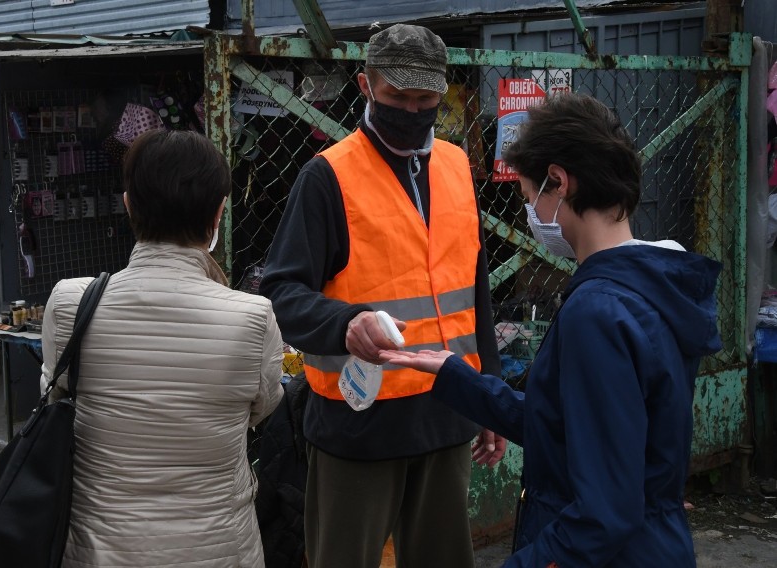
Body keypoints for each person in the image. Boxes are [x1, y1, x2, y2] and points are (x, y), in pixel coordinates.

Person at [381, 92, 723, 567]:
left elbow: (602, 514)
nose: (530, 214)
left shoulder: (597, 313)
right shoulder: (653, 284)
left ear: (558, 182)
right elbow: (575, 426)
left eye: (527, 197)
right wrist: (456, 376)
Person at [259, 23, 506, 568]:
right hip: (359, 425)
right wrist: (344, 323)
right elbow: (280, 291)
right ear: (366, 84)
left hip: (448, 413)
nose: (412, 111)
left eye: (426, 99)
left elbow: (474, 290)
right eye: (398, 96)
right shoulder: (327, 177)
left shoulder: (457, 166)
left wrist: (489, 393)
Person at [40, 129, 284, 567]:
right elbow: (260, 407)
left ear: (128, 204)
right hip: (220, 551)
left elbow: (54, 396)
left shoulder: (70, 303)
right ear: (219, 212)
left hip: (98, 552)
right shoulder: (254, 317)